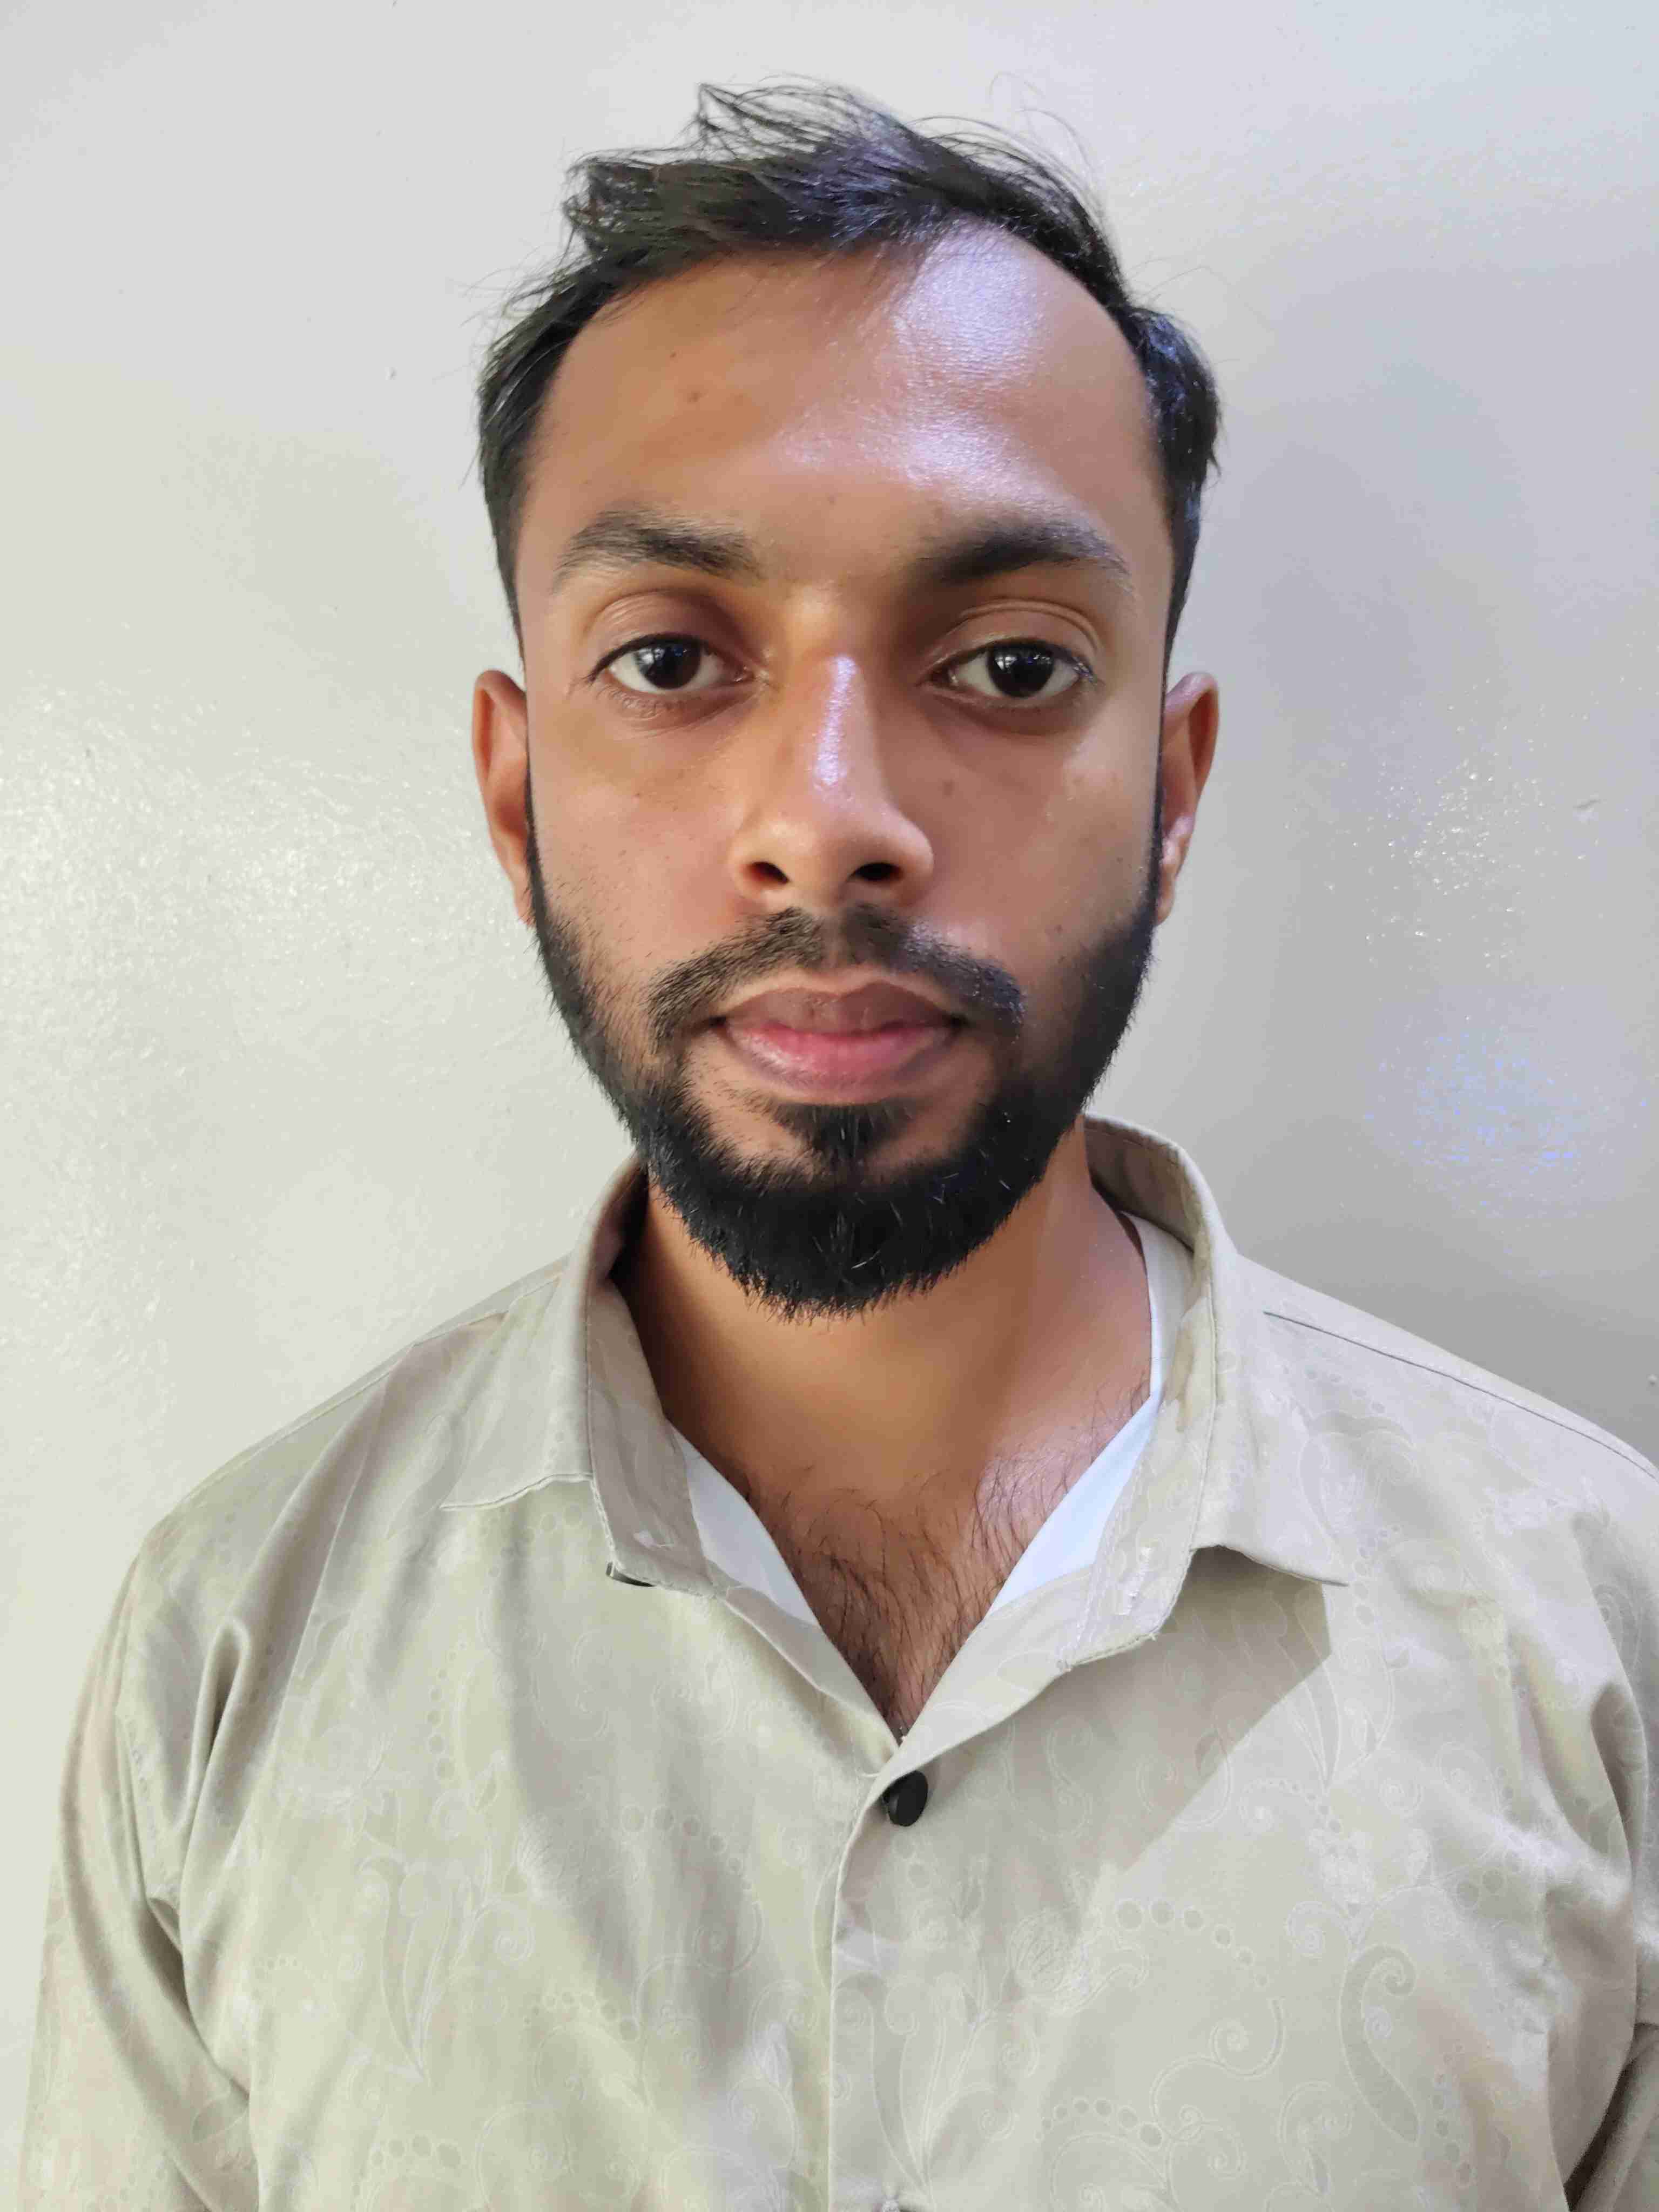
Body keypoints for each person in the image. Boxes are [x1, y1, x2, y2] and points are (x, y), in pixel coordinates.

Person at [20, 77, 1658, 2212]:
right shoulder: (232, 1648)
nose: (829, 819)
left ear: (1172, 793)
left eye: (1008, 664)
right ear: (514, 793)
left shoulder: (1588, 1633)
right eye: (672, 659)